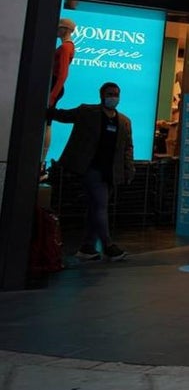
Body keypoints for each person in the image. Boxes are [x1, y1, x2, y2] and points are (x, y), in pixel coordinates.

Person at [48, 82, 133, 261]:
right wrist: (48, 106)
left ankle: (87, 246)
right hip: (91, 168)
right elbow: (63, 116)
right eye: (110, 94)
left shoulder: (124, 121)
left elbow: (127, 147)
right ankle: (108, 245)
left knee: (95, 207)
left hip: (111, 171)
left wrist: (128, 169)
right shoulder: (87, 112)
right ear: (101, 95)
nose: (113, 97)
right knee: (100, 206)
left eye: (116, 94)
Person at [42, 17, 77, 169]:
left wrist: (52, 95)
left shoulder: (65, 47)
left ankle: (42, 161)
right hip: (54, 86)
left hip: (54, 87)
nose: (57, 30)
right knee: (46, 123)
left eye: (60, 27)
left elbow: (63, 73)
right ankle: (41, 161)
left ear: (65, 29)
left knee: (47, 123)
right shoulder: (66, 46)